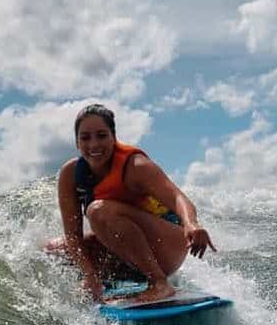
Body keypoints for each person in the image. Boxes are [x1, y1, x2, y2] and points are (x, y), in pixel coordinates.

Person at [44, 104, 216, 303]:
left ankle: (159, 283)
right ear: (76, 142)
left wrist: (192, 224)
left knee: (98, 211)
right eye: (85, 138)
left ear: (113, 137)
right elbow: (73, 236)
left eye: (102, 135)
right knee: (55, 249)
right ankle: (103, 282)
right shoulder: (71, 173)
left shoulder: (135, 166)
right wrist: (89, 275)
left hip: (168, 246)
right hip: (126, 251)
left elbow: (178, 197)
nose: (94, 144)